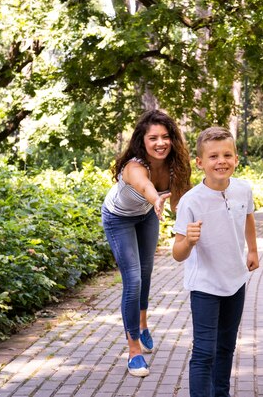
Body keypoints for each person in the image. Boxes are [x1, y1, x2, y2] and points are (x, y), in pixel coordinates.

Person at [101, 110, 191, 377]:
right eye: (153, 138)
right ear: (143, 139)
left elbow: (178, 205)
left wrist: (188, 226)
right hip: (119, 218)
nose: (160, 143)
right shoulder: (134, 166)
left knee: (147, 271)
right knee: (133, 279)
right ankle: (134, 352)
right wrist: (155, 199)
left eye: (165, 137)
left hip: (147, 215)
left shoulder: (176, 167)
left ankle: (142, 324)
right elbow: (143, 187)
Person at [172, 127, 259, 397]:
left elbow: (248, 217)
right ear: (200, 163)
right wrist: (188, 241)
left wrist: (253, 251)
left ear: (235, 159)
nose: (221, 161)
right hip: (205, 286)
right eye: (213, 156)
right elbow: (177, 253)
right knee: (204, 351)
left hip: (236, 281)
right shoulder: (190, 201)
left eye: (227, 155)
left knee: (226, 348)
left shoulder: (243, 189)